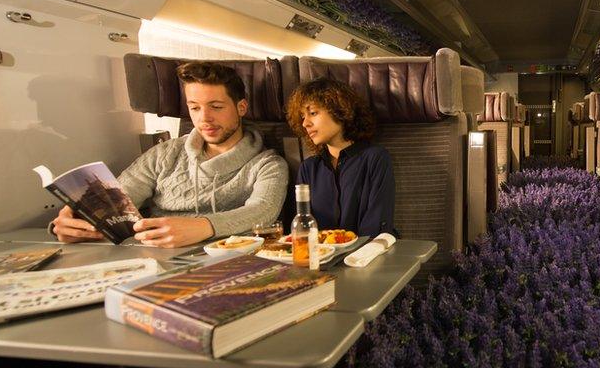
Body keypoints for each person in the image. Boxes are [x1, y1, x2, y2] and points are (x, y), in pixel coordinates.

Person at [51, 62, 289, 247]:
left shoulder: (267, 164)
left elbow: (262, 211)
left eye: (216, 107)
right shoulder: (165, 154)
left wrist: (203, 227)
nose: (204, 118)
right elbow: (118, 200)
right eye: (195, 108)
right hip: (150, 252)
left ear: (241, 108)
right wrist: (73, 223)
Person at [287, 77, 395, 237]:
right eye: (303, 116)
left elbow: (376, 227)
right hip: (320, 257)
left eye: (313, 113)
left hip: (366, 256)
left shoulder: (375, 159)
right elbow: (303, 229)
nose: (305, 123)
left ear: (339, 110)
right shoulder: (308, 168)